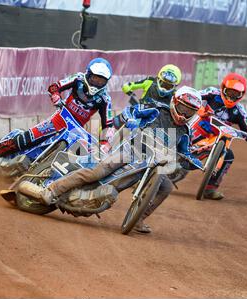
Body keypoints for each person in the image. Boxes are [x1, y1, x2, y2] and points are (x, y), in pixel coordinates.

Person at [18, 86, 204, 234]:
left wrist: (197, 161)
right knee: (97, 172)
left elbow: (185, 153)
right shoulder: (156, 109)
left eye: (190, 111)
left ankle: (138, 219)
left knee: (166, 187)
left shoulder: (184, 132)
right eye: (183, 108)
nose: (185, 114)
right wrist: (131, 119)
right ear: (174, 102)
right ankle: (52, 190)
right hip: (132, 150)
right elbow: (132, 110)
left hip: (153, 163)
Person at [0, 58, 115, 168]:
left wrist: (105, 142)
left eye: (101, 81)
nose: (97, 83)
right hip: (59, 119)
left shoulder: (105, 99)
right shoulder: (78, 79)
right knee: (25, 139)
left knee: (74, 161)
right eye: (95, 78)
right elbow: (54, 86)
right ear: (89, 74)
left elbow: (108, 124)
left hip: (75, 131)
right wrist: (56, 96)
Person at [189, 72, 247, 200]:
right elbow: (192, 96)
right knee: (178, 132)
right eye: (229, 92)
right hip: (199, 128)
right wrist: (200, 108)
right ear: (223, 88)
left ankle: (210, 188)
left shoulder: (239, 111)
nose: (231, 97)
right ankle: (155, 164)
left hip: (217, 138)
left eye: (236, 95)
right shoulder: (212, 93)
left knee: (229, 156)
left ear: (241, 95)